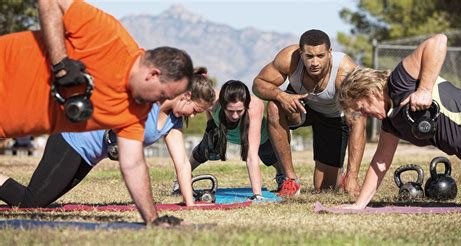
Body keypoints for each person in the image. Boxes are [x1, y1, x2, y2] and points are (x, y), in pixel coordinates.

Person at [0, 0, 193, 225]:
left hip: (10, 120)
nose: (160, 102)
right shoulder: (108, 36)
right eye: (162, 94)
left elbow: (133, 164)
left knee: (32, 202)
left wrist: (152, 219)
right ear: (152, 74)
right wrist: (60, 64)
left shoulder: (137, 109)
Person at [0, 70, 215, 218]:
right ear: (186, 96)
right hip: (71, 140)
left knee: (39, 203)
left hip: (87, 158)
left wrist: (190, 204)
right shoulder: (147, 98)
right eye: (195, 110)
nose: (193, 116)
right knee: (30, 204)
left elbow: (182, 164)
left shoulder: (173, 121)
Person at [336, 33, 461, 209]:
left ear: (369, 91)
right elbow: (381, 161)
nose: (365, 115)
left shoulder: (400, 81)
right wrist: (359, 205)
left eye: (362, 108)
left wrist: (424, 89)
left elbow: (439, 41)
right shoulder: (391, 123)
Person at [252, 29, 367, 196]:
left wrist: (353, 176)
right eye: (309, 56)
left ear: (330, 53)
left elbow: (358, 122)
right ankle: (289, 179)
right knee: (274, 107)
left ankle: (342, 176)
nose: (314, 62)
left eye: (320, 56)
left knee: (324, 189)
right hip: (301, 105)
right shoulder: (289, 59)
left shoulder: (345, 72)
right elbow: (258, 84)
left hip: (333, 117)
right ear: (301, 53)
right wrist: (280, 95)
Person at [174, 80, 285, 199]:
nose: (235, 116)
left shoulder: (255, 106)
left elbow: (251, 156)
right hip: (223, 131)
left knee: (271, 158)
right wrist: (210, 123)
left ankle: (281, 175)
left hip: (260, 138)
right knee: (203, 151)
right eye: (230, 111)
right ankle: (180, 179)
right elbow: (195, 104)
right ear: (222, 104)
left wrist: (257, 195)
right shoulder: (212, 100)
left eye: (239, 111)